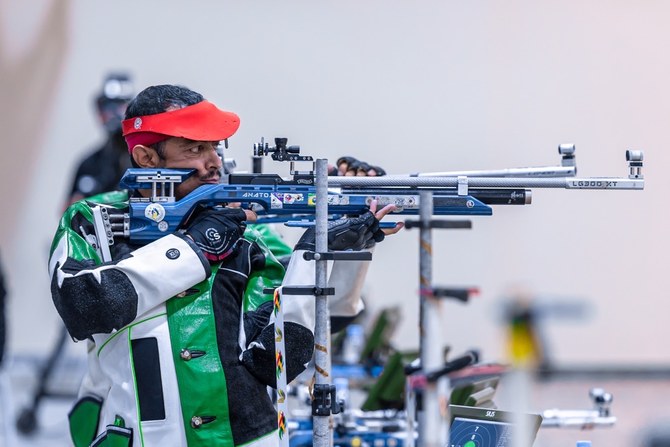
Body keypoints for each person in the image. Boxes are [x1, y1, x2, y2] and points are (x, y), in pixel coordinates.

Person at [49, 84, 401, 447]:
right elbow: (84, 305)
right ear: (146, 158)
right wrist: (197, 246)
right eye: (195, 148)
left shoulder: (245, 228)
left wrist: (333, 252)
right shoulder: (96, 220)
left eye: (215, 146)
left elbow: (291, 347)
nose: (213, 162)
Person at [66, 72, 134, 205]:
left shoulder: (148, 159)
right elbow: (68, 214)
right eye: (107, 107)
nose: (112, 114)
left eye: (120, 106)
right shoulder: (88, 165)